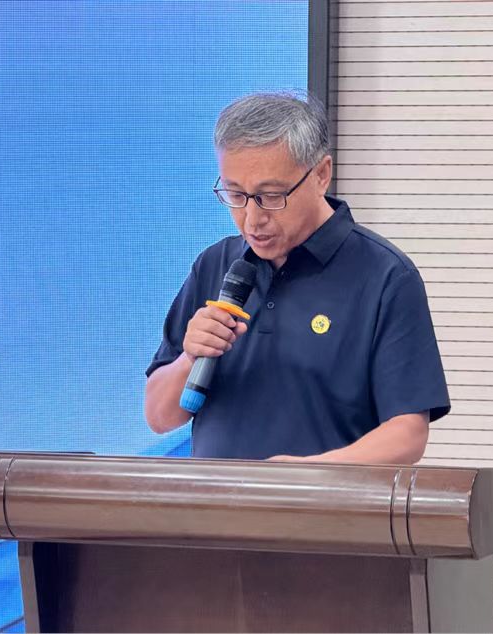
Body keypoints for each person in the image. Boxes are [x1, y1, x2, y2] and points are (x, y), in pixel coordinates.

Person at [144, 92, 449, 464]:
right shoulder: (215, 264)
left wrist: (306, 474)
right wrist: (190, 357)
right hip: (214, 501)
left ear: (321, 175)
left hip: (327, 501)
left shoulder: (385, 276)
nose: (252, 219)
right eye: (235, 195)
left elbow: (408, 434)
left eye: (271, 196)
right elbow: (159, 417)